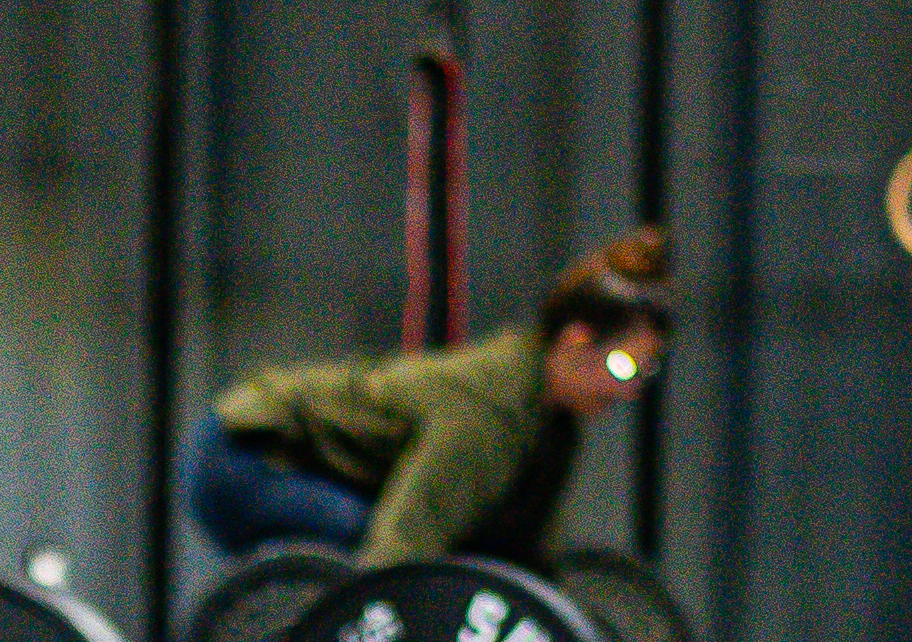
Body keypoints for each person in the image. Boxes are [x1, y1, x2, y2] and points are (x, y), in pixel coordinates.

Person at [185, 225, 675, 576]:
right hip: (243, 455)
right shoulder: (488, 409)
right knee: (389, 559)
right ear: (574, 339)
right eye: (622, 367)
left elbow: (524, 560)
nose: (629, 390)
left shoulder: (552, 424)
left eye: (643, 373)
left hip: (294, 460)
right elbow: (403, 544)